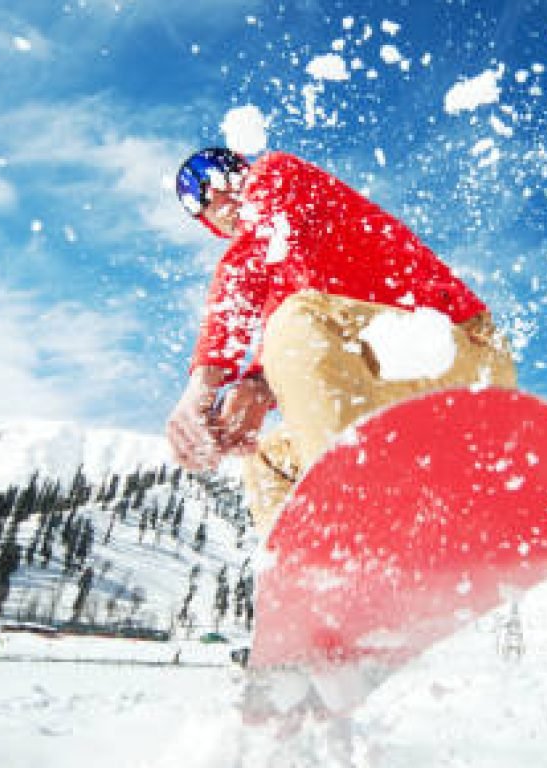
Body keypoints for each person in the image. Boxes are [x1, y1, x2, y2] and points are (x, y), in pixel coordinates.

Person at [166, 147, 517, 532]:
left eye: (224, 178)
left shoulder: (281, 176)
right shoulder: (280, 283)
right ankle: (322, 577)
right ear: (207, 222)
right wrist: (255, 386)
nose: (221, 199)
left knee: (295, 321)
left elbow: (250, 264)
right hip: (394, 392)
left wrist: (204, 382)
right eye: (205, 202)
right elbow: (283, 349)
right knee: (265, 463)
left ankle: (363, 516)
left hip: (461, 355)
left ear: (245, 172)